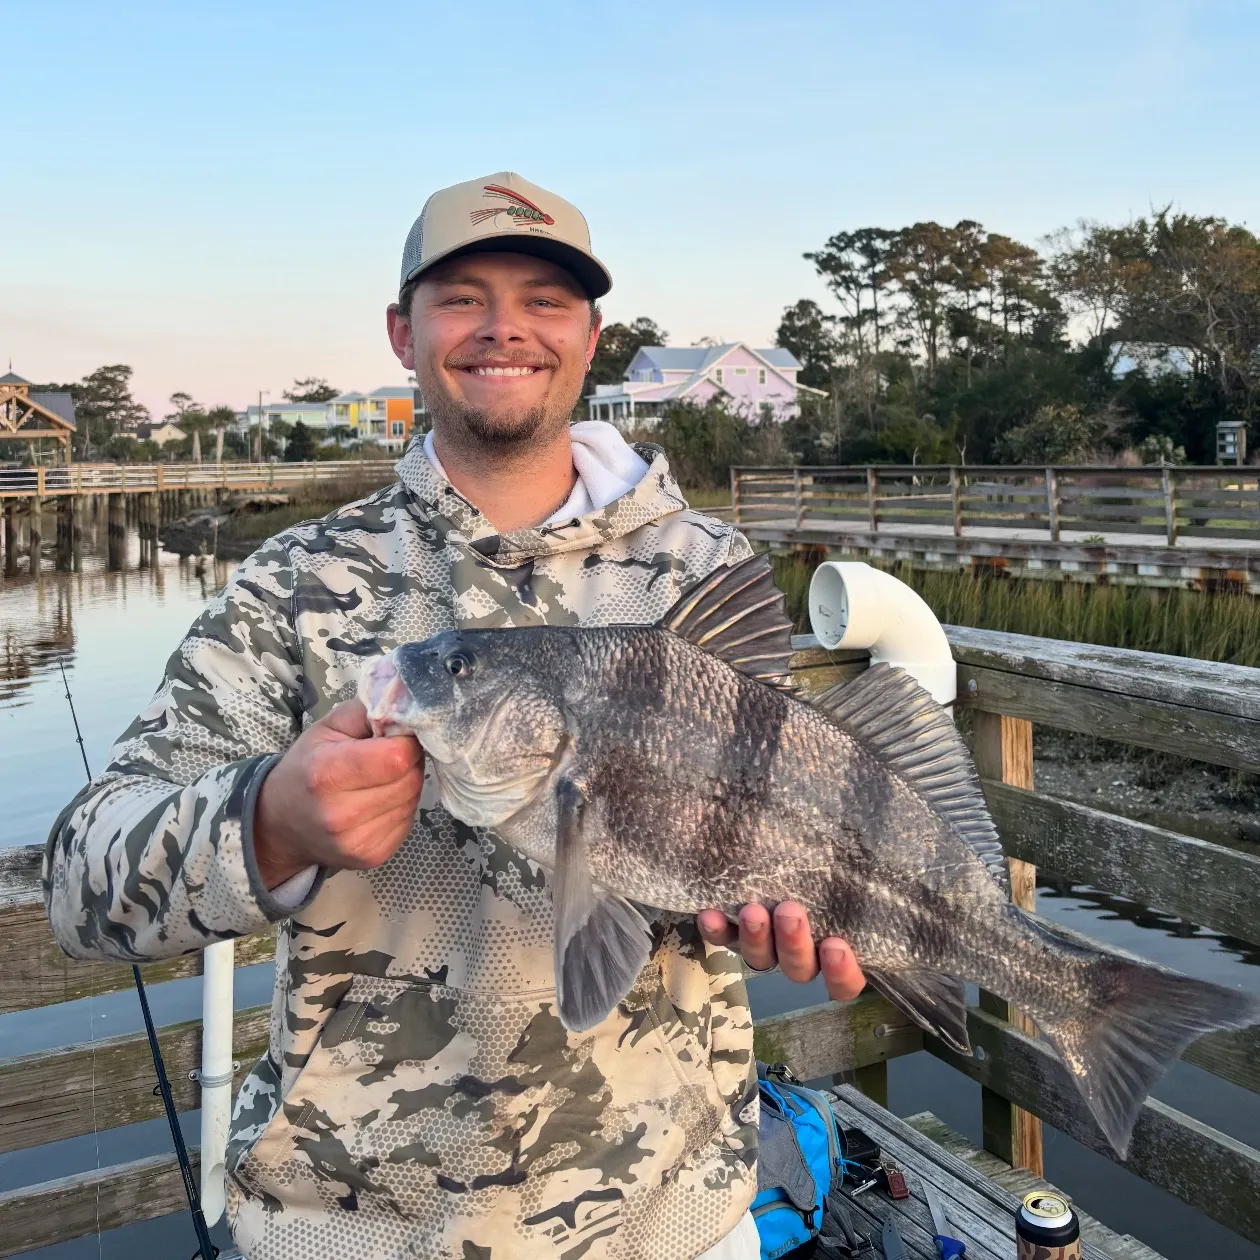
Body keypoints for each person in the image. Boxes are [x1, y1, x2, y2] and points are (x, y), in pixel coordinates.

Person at [45, 171, 865, 1260]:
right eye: (463, 295)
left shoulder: (704, 570)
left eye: (543, 299)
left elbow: (791, 820)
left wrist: (796, 912)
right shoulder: (296, 580)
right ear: (404, 331)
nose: (504, 328)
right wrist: (269, 820)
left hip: (674, 1221)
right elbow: (81, 884)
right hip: (351, 1230)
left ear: (590, 335)